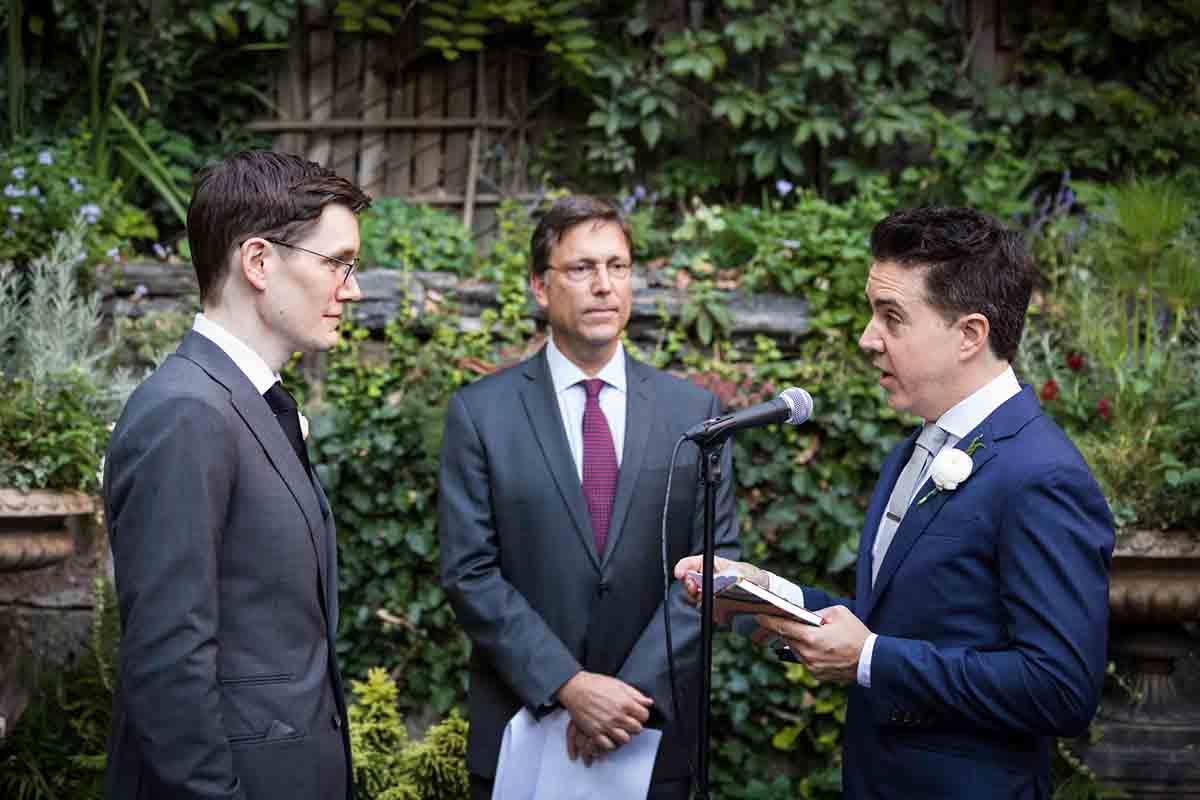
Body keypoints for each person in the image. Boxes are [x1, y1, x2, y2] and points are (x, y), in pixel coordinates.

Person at [676, 206, 1114, 799]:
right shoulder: (914, 449)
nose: (867, 338)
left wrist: (870, 661)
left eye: (892, 317)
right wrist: (768, 596)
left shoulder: (1042, 473)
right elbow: (899, 624)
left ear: (970, 335)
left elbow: (1060, 689)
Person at [439, 195, 739, 800]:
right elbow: (470, 571)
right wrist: (569, 685)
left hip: (653, 738)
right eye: (581, 269)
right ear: (540, 287)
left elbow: (714, 567)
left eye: (618, 267)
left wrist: (626, 698)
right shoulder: (481, 412)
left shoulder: (694, 415)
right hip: (526, 728)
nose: (603, 286)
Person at [103, 150, 369, 800]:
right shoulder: (185, 413)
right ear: (258, 261)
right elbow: (169, 661)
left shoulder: (247, 403)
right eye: (337, 263)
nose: (353, 288)